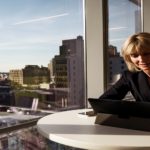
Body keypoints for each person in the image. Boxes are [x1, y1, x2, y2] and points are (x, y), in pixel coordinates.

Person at [99, 32, 150, 102]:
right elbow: (103, 101)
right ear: (129, 58)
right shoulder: (130, 76)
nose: (141, 60)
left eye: (146, 54)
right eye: (135, 56)